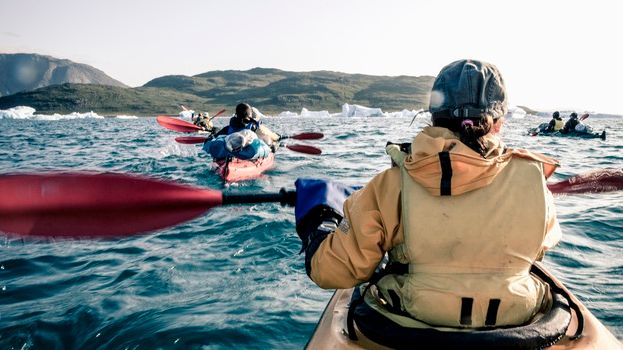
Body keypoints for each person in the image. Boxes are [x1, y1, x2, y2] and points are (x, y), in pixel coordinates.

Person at [294, 59, 562, 332]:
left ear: (433, 117)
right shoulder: (534, 178)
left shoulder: (392, 184)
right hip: (516, 325)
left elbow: (331, 271)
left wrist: (318, 229)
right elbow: (543, 244)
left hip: (412, 326)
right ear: (498, 123)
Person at [206, 103, 279, 160]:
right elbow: (265, 137)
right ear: (249, 115)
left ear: (236, 114)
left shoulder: (228, 128)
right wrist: (272, 146)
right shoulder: (253, 126)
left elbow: (217, 136)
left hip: (229, 150)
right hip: (244, 152)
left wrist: (210, 138)